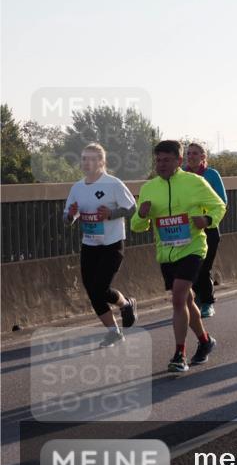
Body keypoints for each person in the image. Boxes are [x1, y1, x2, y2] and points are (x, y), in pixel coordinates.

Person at [131, 140, 227, 373]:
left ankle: (179, 354)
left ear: (179, 161)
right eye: (158, 160)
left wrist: (207, 220)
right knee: (186, 300)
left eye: (166, 160)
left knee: (178, 297)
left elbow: (219, 205)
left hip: (193, 248)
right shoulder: (149, 188)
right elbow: (136, 225)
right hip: (166, 252)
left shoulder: (195, 182)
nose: (161, 165)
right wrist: (142, 216)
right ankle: (205, 341)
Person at [63, 143, 138, 347]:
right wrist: (70, 215)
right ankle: (113, 331)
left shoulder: (113, 184)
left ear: (102, 162)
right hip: (90, 244)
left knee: (100, 288)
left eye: (92, 159)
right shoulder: (77, 187)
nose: (87, 163)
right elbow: (67, 217)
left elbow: (132, 208)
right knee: (92, 290)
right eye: (84, 159)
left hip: (112, 244)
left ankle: (125, 304)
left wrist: (111, 214)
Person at [184, 143, 227, 318]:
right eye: (188, 153)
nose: (191, 156)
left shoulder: (211, 175)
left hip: (208, 228)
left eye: (195, 153)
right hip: (187, 230)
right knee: (190, 268)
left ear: (203, 156)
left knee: (203, 267)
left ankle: (207, 302)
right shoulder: (182, 176)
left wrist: (206, 218)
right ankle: (196, 300)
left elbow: (222, 201)